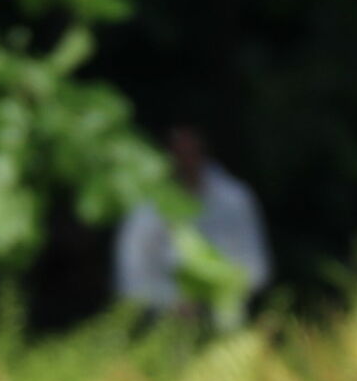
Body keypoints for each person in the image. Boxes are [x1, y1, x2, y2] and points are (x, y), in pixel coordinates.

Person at [113, 124, 271, 319]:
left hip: (228, 314)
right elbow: (130, 279)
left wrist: (219, 293)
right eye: (180, 155)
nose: (186, 162)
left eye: (192, 153)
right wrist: (172, 300)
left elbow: (257, 268)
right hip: (160, 319)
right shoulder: (145, 207)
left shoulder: (234, 198)